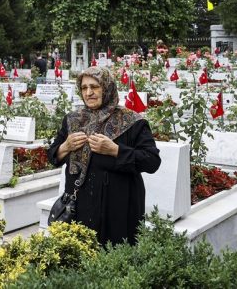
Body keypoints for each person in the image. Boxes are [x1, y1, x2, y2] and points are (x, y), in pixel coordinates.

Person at [47, 66, 161, 246]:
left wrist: (115, 150)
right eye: (84, 88)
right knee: (80, 256)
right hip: (79, 207)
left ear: (107, 87)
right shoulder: (73, 120)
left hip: (118, 209)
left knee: (115, 259)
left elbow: (152, 161)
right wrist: (65, 146)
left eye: (95, 86)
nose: (89, 93)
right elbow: (52, 156)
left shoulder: (132, 121)